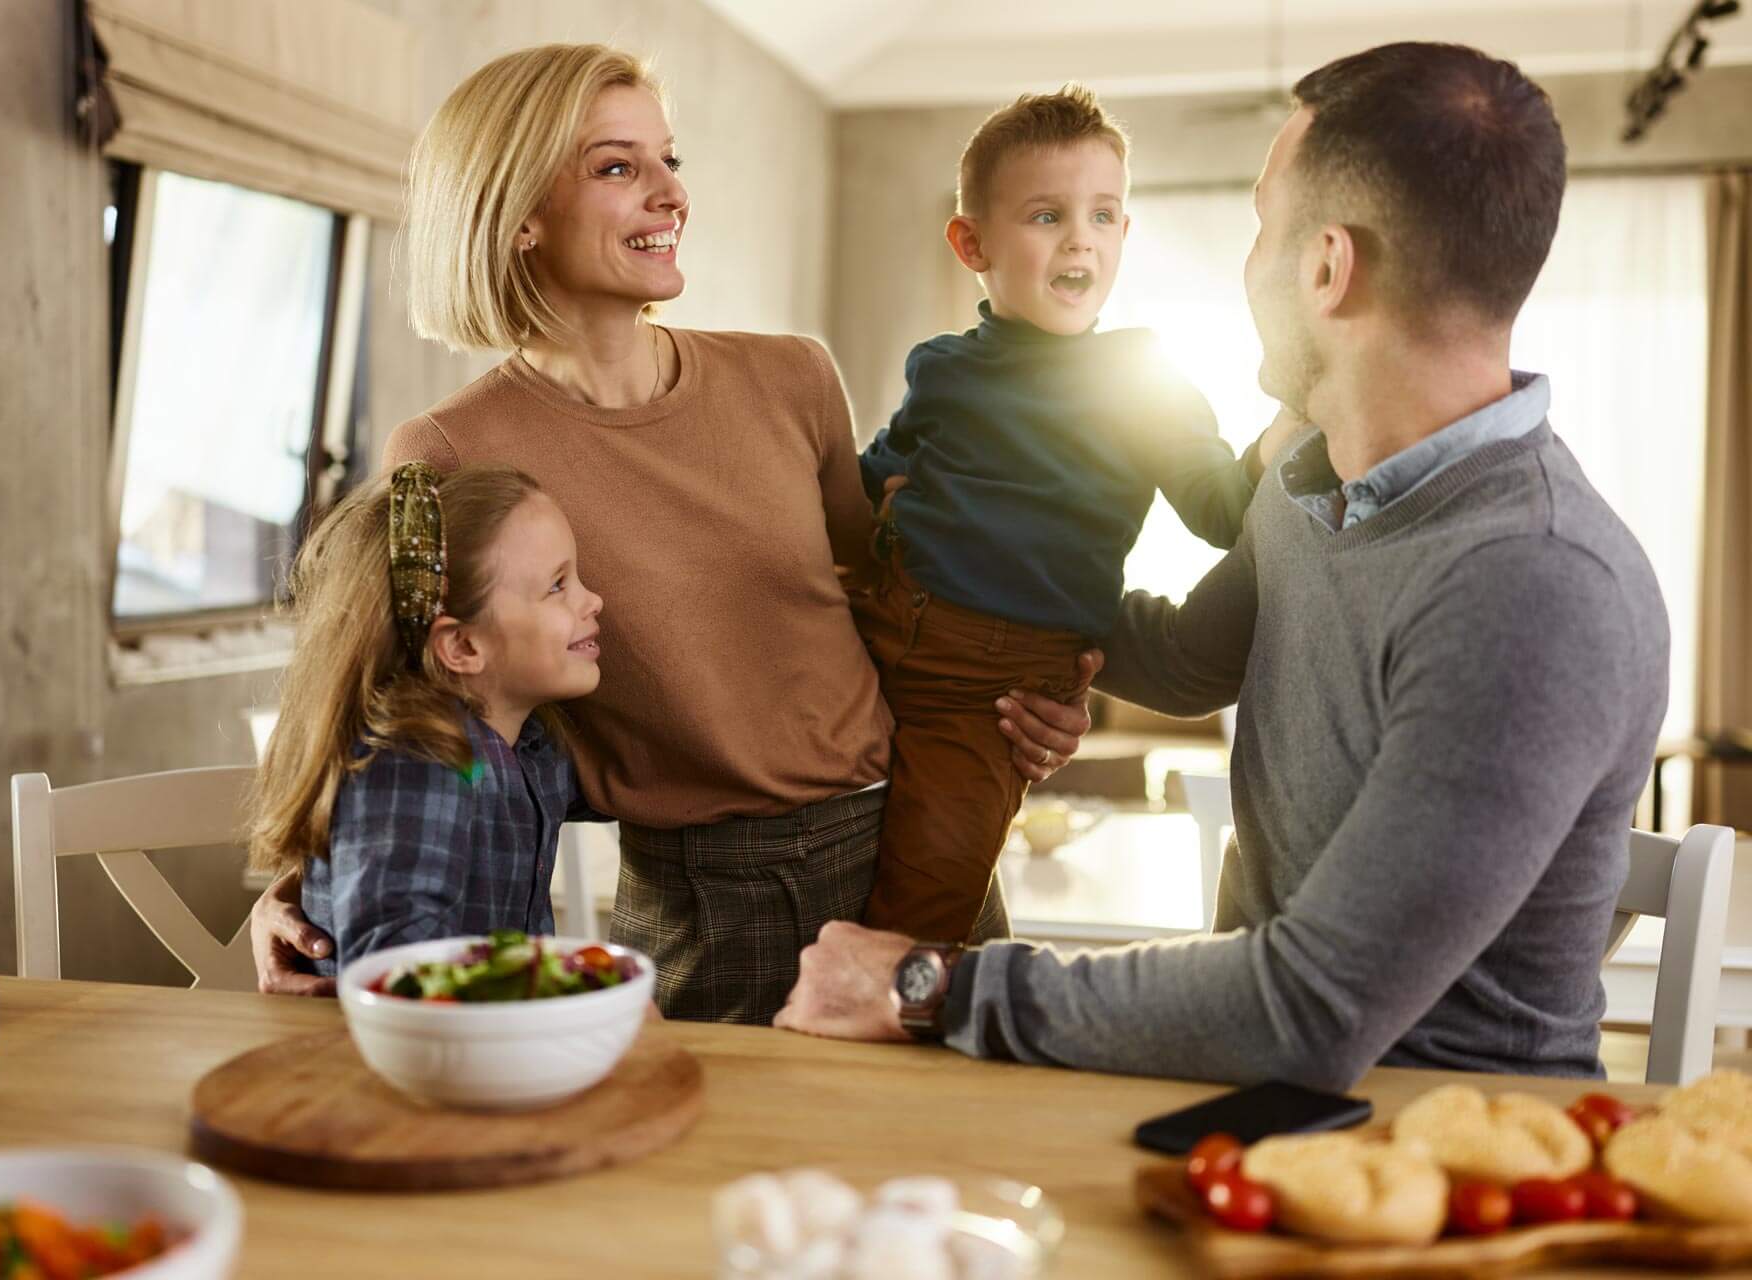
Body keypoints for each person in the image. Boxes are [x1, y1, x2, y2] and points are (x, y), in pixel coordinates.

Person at [778, 41, 1669, 1088]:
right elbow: (1192, 658)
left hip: (1435, 1137)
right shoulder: (1310, 475)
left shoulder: (1534, 586)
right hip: (1245, 1089)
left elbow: (1305, 1009)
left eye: (1258, 224)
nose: (1245, 262)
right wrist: (1019, 637)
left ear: (1326, 267)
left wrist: (929, 985)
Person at [245, 43, 1103, 1022]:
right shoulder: (444, 449)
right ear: (516, 214)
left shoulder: (792, 377)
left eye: (670, 160)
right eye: (618, 166)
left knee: (954, 1167)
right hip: (700, 908)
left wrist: (1019, 701)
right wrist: (304, 889)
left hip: (908, 848)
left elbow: (902, 608)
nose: (670, 194)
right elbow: (393, 708)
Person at [850, 85, 1264, 942]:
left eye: (1104, 214)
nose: (1082, 236)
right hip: (869, 634)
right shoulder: (943, 368)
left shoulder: (1142, 380)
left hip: (987, 697)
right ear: (972, 243)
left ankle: (886, 1041)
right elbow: (864, 488)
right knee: (832, 855)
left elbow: (1225, 512)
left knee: (919, 914)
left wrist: (1299, 418)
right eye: (1047, 215)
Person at [244, 464, 603, 968]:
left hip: (482, 1038)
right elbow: (396, 967)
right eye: (557, 586)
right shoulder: (418, 758)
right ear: (462, 645)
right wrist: (582, 993)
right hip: (391, 1045)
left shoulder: (533, 747)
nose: (593, 600)